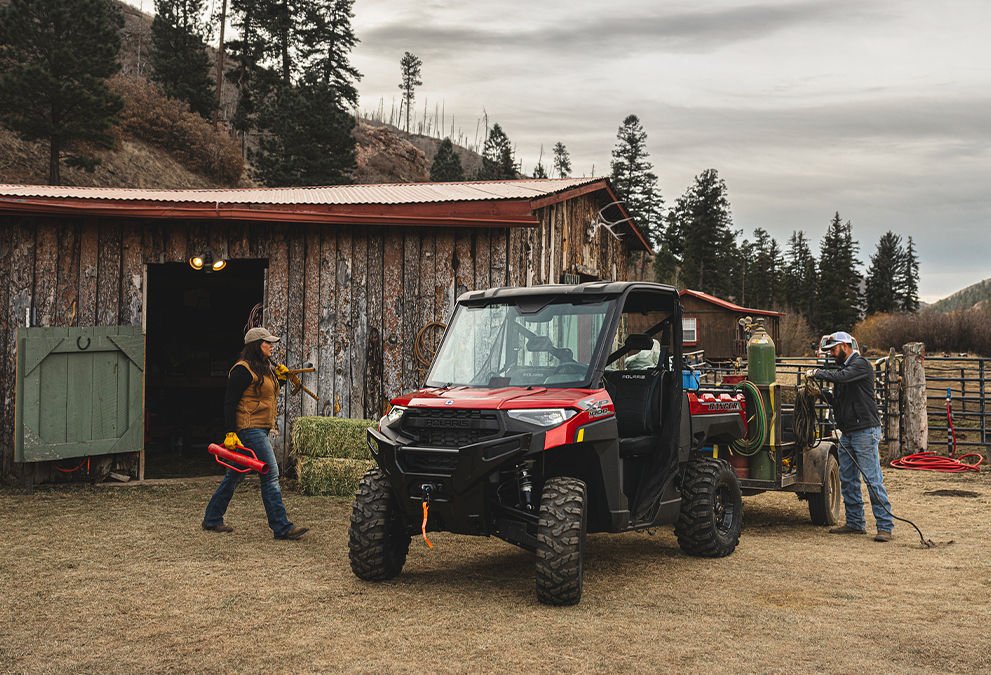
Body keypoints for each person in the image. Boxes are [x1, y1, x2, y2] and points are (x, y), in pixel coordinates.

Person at [202, 327, 308, 540]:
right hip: (249, 429)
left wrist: (282, 379)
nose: (271, 346)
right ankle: (282, 527)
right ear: (256, 346)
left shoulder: (263, 369)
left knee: (235, 475)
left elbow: (265, 395)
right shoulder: (242, 370)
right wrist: (230, 432)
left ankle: (212, 519)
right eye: (267, 342)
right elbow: (230, 402)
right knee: (270, 474)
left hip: (260, 427)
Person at [808, 331, 894, 542]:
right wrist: (822, 395)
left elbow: (843, 378)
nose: (832, 354)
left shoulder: (860, 365)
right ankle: (856, 522)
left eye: (834, 349)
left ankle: (885, 526)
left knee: (872, 479)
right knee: (848, 478)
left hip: (864, 431)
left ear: (845, 346)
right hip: (849, 432)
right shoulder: (846, 369)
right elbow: (839, 400)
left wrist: (817, 373)